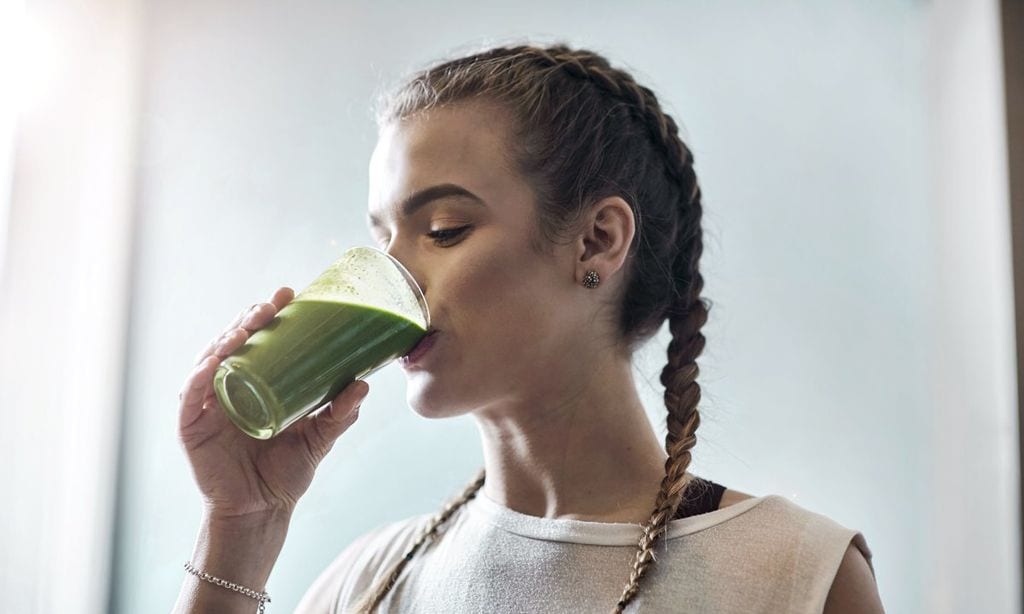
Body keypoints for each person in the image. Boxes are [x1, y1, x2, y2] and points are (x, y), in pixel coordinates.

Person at [173, 43, 884, 614]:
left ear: (598, 241)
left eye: (443, 229)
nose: (397, 279)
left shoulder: (793, 576)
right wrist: (241, 526)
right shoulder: (367, 582)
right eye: (384, 239)